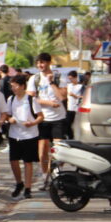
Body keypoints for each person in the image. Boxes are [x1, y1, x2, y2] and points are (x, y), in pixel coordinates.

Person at [6, 74, 43, 200]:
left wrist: (32, 123)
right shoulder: (11, 99)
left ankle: (27, 188)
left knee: (28, 162)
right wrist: (9, 119)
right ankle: (19, 183)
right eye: (12, 86)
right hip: (14, 134)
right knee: (13, 160)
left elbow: (41, 116)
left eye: (15, 86)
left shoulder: (31, 100)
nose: (14, 89)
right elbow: (7, 115)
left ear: (22, 86)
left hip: (30, 134)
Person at [32, 53, 65, 189]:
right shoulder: (34, 78)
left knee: (58, 150)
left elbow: (62, 97)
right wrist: (48, 103)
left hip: (58, 118)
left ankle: (56, 175)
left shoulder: (59, 77)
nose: (40, 65)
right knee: (42, 151)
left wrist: (52, 83)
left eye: (43, 62)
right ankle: (44, 176)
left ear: (49, 62)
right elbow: (31, 98)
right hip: (43, 118)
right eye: (38, 62)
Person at [65, 70, 84, 139]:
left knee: (77, 125)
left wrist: (75, 96)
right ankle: (70, 137)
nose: (70, 80)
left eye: (71, 78)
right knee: (67, 124)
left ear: (76, 77)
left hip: (77, 109)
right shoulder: (68, 85)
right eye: (69, 78)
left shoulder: (81, 86)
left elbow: (84, 96)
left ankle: (78, 138)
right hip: (69, 108)